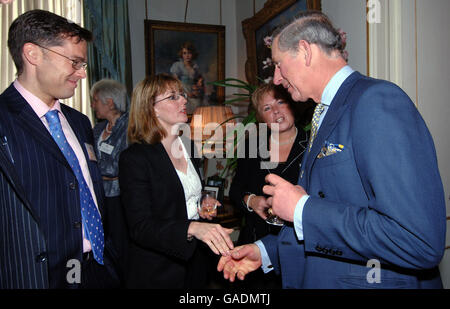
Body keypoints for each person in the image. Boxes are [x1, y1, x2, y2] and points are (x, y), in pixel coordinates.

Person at [218, 11, 446, 289]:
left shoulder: (375, 102)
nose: (276, 78)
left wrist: (301, 208)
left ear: (304, 51)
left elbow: (417, 240)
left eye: (278, 64)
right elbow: (338, 210)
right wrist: (267, 251)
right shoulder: (323, 112)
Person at [0, 9, 119, 288]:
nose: (81, 74)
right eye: (75, 62)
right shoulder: (4, 121)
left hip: (97, 268)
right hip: (40, 277)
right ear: (33, 54)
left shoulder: (79, 121)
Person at [119, 73, 234, 288]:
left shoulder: (189, 145)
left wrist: (203, 203)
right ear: (151, 108)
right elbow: (140, 227)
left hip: (196, 261)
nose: (184, 99)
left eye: (182, 94)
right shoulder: (135, 158)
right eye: (173, 97)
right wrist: (192, 228)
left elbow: (184, 195)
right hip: (158, 270)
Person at [228, 82, 308, 288]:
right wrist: (252, 200)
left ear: (292, 106)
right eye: (267, 108)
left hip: (300, 249)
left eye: (281, 102)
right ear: (261, 119)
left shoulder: (312, 145)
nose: (276, 111)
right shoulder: (252, 145)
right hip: (254, 249)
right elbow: (235, 191)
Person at [90, 78, 129, 277]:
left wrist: (101, 172)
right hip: (100, 197)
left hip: (123, 198)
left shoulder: (131, 126)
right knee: (106, 247)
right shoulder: (97, 129)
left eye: (95, 100)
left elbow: (123, 165)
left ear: (110, 102)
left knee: (123, 247)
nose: (92, 105)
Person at [170, 41, 205, 114]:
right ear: (181, 54)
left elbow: (200, 77)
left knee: (197, 105)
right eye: (184, 53)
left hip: (192, 90)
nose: (187, 55)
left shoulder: (195, 66)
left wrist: (199, 83)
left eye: (189, 53)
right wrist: (185, 93)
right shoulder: (178, 65)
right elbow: (175, 82)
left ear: (193, 54)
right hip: (182, 89)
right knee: (185, 106)